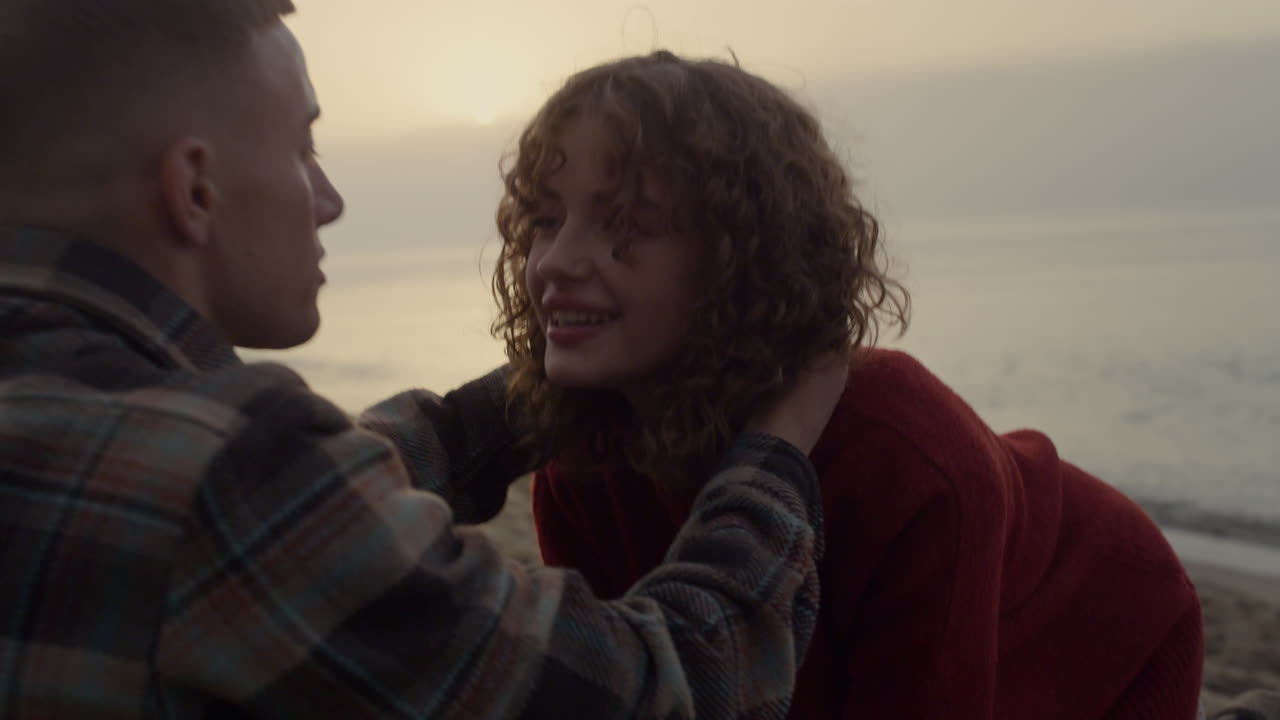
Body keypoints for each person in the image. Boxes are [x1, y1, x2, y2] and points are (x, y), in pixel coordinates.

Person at [0, 4, 849, 718]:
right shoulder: (224, 475)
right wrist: (772, 457)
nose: (329, 203)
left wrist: (525, 403)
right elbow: (671, 687)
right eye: (304, 150)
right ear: (195, 189)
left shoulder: (92, 421)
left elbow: (312, 498)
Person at [492, 50, 1206, 719]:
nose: (554, 262)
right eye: (546, 219)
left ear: (740, 259)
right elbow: (638, 694)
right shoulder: (579, 464)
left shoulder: (906, 464)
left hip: (1103, 636)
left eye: (628, 224)